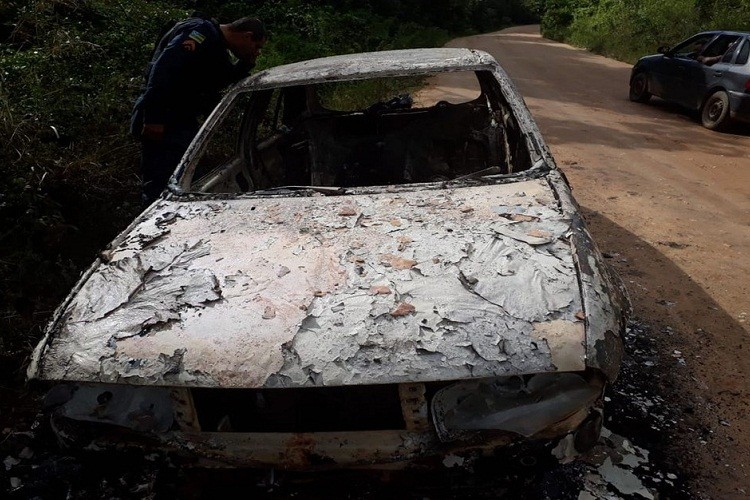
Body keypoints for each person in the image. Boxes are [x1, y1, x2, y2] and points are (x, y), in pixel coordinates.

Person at [131, 16, 266, 203]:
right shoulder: (200, 33)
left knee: (186, 181)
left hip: (181, 121)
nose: (257, 52)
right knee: (160, 185)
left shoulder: (217, 47)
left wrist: (247, 62)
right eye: (257, 47)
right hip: (164, 120)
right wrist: (154, 119)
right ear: (247, 36)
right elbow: (164, 70)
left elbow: (224, 78)